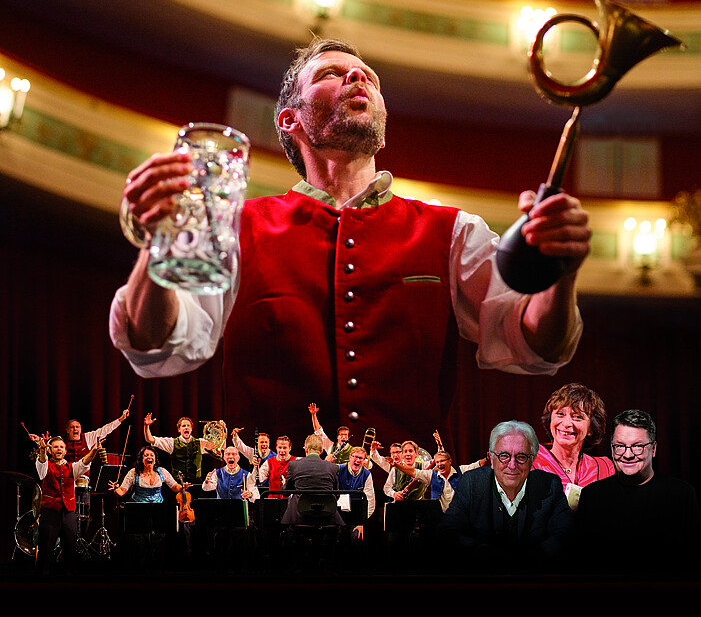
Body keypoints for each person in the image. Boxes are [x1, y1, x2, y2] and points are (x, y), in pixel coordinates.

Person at [110, 37, 590, 442]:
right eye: (331, 74)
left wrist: (561, 274)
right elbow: (155, 345)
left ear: (382, 125)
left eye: (369, 78)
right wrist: (157, 243)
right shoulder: (237, 228)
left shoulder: (455, 232)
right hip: (270, 508)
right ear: (290, 120)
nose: (358, 77)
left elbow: (536, 346)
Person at [577, 409, 701, 568]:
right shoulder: (591, 496)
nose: (628, 455)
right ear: (612, 448)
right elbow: (582, 561)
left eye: (637, 446)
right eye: (620, 446)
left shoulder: (682, 494)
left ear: (653, 449)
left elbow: (694, 559)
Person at [440, 420, 573, 567]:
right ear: (491, 458)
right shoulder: (471, 483)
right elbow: (448, 531)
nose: (512, 465)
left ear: (532, 460)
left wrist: (531, 560)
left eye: (521, 457)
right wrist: (485, 554)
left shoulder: (550, 485)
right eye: (504, 456)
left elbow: (566, 534)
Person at [531, 383, 614, 509]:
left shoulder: (604, 468)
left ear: (591, 428)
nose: (566, 423)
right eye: (560, 414)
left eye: (577, 417)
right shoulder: (529, 462)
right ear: (550, 420)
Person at [34, 433, 99, 574]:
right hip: (50, 512)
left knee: (70, 550)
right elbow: (42, 463)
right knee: (45, 550)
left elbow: (84, 462)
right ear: (50, 450)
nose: (59, 449)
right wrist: (42, 449)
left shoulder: (72, 467)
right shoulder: (45, 465)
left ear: (65, 451)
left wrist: (93, 452)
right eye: (55, 447)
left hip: (68, 512)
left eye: (61, 447)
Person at [281, 434, 344, 527]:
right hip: (326, 518)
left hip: (299, 519)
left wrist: (284, 484)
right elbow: (336, 495)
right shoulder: (333, 467)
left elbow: (285, 492)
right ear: (321, 451)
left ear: (306, 449)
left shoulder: (294, 465)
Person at [393, 450, 483, 512]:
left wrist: (487, 459)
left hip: (459, 516)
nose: (439, 464)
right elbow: (413, 472)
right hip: (440, 518)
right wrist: (396, 465)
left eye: (442, 461)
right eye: (437, 462)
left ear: (450, 461)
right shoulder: (431, 475)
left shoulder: (461, 471)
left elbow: (477, 465)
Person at [143, 413, 214, 483]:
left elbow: (217, 446)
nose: (186, 427)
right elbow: (149, 439)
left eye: (188, 426)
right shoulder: (172, 443)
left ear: (191, 429)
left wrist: (220, 428)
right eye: (183, 426)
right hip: (177, 483)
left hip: (195, 483)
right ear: (179, 429)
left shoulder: (200, 443)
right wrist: (146, 426)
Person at [109, 446, 186, 503]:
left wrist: (182, 487)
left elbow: (175, 487)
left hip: (157, 508)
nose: (149, 457)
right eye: (146, 455)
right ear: (142, 459)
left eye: (152, 455)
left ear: (155, 459)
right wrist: (116, 489)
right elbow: (122, 491)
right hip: (139, 508)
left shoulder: (162, 472)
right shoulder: (133, 472)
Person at [338, 446, 375, 539]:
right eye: (355, 457)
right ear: (350, 457)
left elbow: (370, 501)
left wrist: (362, 522)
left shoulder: (367, 475)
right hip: (338, 516)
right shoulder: (339, 469)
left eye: (361, 458)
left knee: (357, 536)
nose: (357, 460)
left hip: (356, 518)